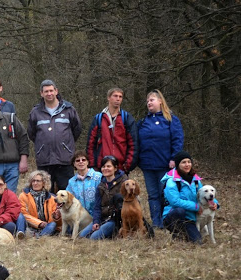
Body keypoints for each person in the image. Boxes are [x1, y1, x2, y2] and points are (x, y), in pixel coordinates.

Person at [135, 90, 184, 228]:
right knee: (153, 195)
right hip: (147, 165)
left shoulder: (171, 120)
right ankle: (156, 223)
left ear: (160, 101)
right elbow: (137, 142)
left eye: (152, 100)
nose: (149, 103)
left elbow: (178, 140)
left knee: (166, 194)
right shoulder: (143, 121)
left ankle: (167, 221)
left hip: (165, 165)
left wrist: (174, 158)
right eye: (147, 101)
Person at [27, 80, 82, 193]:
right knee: (45, 194)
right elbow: (31, 133)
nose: (49, 93)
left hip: (65, 160)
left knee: (67, 194)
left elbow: (76, 130)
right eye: (46, 91)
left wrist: (65, 144)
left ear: (56, 91)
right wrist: (43, 144)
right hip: (44, 160)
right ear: (41, 93)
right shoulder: (35, 112)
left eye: (51, 90)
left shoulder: (68, 109)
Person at [162, 151, 217, 243]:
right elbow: (175, 202)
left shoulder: (195, 180)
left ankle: (185, 233)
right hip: (172, 215)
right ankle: (176, 232)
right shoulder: (171, 181)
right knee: (180, 211)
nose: (187, 164)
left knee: (197, 241)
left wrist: (215, 203)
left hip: (190, 217)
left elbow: (205, 194)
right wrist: (196, 207)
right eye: (183, 162)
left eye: (189, 162)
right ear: (177, 165)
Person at [86, 87, 137, 173]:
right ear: (108, 98)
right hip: (102, 166)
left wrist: (128, 165)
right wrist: (92, 165)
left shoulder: (127, 118)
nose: (118, 99)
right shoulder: (99, 118)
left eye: (120, 97)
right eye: (115, 96)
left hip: (121, 166)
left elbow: (133, 143)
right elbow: (91, 144)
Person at [79, 155, 127, 240]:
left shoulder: (124, 182)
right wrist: (96, 222)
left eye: (109, 166)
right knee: (82, 235)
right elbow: (97, 207)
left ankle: (114, 233)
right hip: (103, 218)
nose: (105, 169)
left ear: (115, 168)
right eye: (103, 166)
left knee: (94, 238)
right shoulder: (100, 185)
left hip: (115, 220)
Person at [16, 170, 60, 238]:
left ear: (44, 183)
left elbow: (53, 221)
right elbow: (24, 214)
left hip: (46, 226)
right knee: (20, 215)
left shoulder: (52, 198)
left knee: (53, 224)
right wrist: (39, 223)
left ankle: (39, 238)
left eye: (38, 181)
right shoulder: (23, 195)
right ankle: (21, 234)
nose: (35, 183)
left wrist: (56, 217)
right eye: (33, 181)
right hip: (29, 225)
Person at [66, 150, 102, 214]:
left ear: (87, 162)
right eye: (77, 160)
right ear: (74, 164)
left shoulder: (98, 176)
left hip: (97, 215)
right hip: (79, 217)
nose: (81, 162)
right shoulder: (71, 182)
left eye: (83, 160)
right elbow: (68, 200)